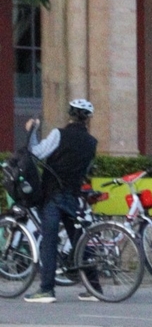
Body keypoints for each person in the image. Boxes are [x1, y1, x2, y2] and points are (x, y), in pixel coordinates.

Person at [20, 99, 98, 304]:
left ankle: (46, 289)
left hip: (53, 195)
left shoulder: (59, 134)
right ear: (88, 118)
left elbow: (36, 153)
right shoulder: (92, 143)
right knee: (79, 241)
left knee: (49, 241)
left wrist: (32, 131)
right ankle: (94, 288)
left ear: (70, 114)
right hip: (72, 196)